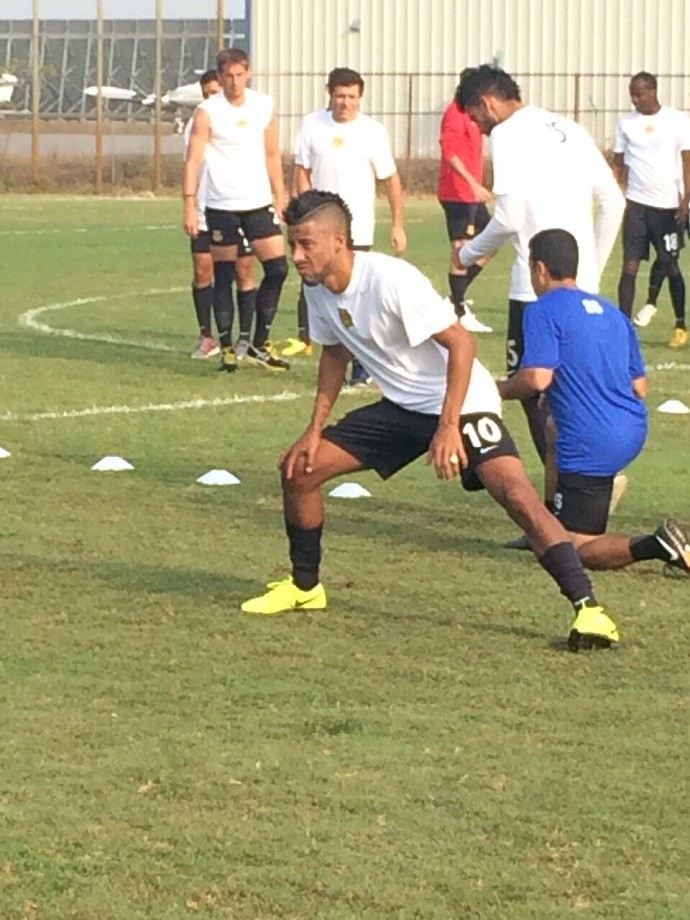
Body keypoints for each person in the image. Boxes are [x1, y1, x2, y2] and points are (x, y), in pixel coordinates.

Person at [241, 190, 625, 653]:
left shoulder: (390, 280)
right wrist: (313, 430)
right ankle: (306, 588)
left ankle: (589, 609)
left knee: (517, 495)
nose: (297, 255)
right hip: (403, 407)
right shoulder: (317, 287)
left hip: (464, 401)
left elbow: (462, 345)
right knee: (299, 471)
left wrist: (448, 428)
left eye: (307, 244)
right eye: (293, 244)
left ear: (339, 241)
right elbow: (335, 353)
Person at [455, 65, 625, 465]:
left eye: (476, 118)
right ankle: (580, 492)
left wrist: (467, 254)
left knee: (531, 392)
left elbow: (510, 218)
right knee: (569, 391)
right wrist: (592, 272)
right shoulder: (571, 129)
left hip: (534, 291)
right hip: (583, 289)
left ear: (487, 103)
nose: (478, 129)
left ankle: (563, 500)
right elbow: (614, 203)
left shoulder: (506, 134)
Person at [498, 228, 690, 576]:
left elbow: (537, 378)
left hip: (593, 441)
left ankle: (659, 543)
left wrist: (500, 389)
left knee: (576, 549)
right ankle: (549, 518)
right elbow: (641, 386)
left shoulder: (541, 311)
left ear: (540, 268)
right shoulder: (612, 313)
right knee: (553, 427)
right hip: (632, 428)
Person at [285, 66, 406, 386]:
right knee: (316, 288)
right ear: (330, 94)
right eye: (340, 96)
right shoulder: (312, 124)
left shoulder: (373, 131)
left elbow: (390, 179)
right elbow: (301, 170)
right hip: (319, 229)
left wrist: (398, 224)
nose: (346, 102)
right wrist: (302, 209)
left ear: (360, 98)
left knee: (356, 294)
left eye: (352, 97)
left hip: (357, 228)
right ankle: (321, 348)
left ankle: (364, 366)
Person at [183, 47, 289, 372]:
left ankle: (259, 342)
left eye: (239, 74)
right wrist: (189, 203)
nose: (234, 81)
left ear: (249, 73)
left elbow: (272, 154)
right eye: (227, 76)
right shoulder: (207, 111)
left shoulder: (263, 106)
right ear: (220, 76)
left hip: (257, 203)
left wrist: (280, 193)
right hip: (221, 205)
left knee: (278, 269)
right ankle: (227, 346)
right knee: (224, 275)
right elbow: (193, 160)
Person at [183, 69, 258, 360]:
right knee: (204, 270)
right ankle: (207, 336)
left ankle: (245, 340)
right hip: (205, 210)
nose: (212, 97)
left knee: (244, 272)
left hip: (239, 207)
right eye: (207, 93)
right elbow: (191, 165)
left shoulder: (246, 118)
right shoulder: (198, 123)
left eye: (217, 91)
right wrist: (189, 205)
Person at [612, 71, 690, 347]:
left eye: (639, 94)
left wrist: (685, 201)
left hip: (667, 207)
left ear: (653, 91)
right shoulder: (625, 124)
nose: (634, 99)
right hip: (636, 206)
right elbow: (619, 162)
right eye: (631, 94)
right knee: (629, 266)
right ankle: (623, 326)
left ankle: (681, 325)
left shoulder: (677, 121)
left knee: (670, 265)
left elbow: (686, 161)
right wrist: (614, 193)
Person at [437, 93, 493, 333]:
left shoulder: (477, 114)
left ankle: (453, 299)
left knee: (491, 242)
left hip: (472, 195)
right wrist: (472, 183)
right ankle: (458, 309)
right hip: (457, 193)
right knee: (462, 249)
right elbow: (450, 153)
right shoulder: (455, 113)